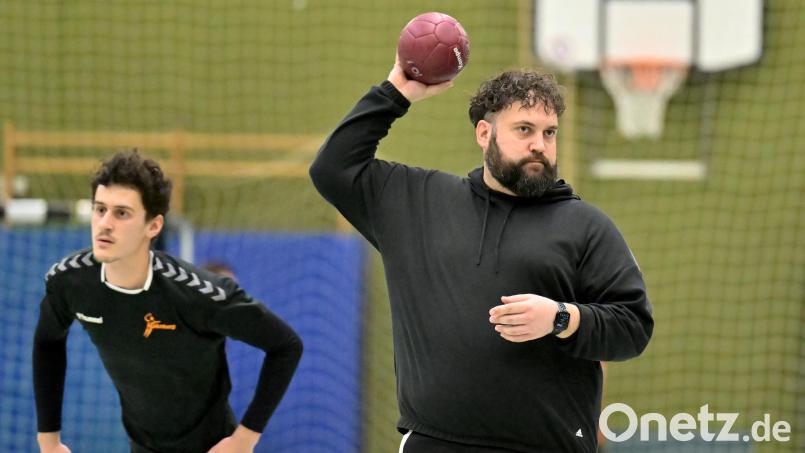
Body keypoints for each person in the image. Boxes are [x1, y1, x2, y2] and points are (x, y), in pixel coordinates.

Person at [309, 56, 654, 452]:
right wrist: (395, 93)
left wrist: (562, 318)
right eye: (524, 129)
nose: (539, 145)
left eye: (549, 132)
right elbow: (332, 169)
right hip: (434, 443)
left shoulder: (585, 226)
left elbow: (633, 327)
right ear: (484, 134)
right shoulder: (419, 202)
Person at [33, 150, 303, 453]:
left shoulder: (199, 294)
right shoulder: (68, 282)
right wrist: (49, 440)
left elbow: (286, 345)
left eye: (122, 213)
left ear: (153, 226)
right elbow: (48, 342)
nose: (105, 224)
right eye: (100, 209)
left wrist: (245, 439)